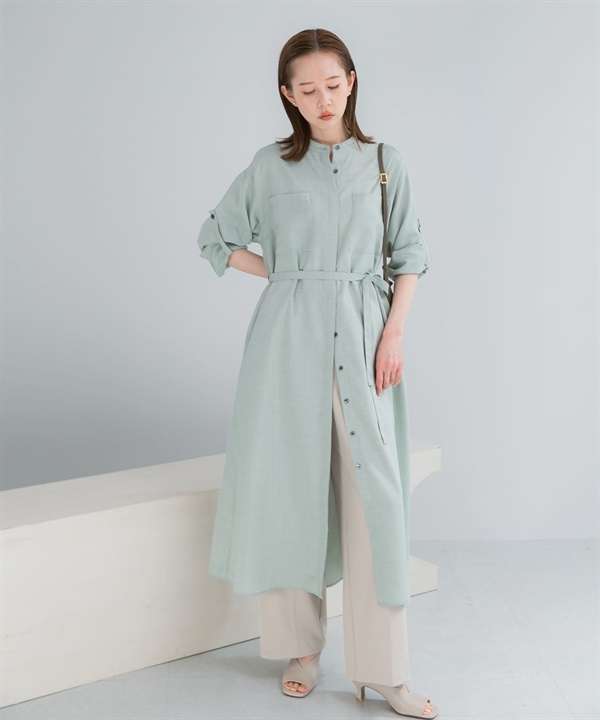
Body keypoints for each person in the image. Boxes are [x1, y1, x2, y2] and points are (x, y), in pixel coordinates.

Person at [196, 27, 439, 720]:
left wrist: (394, 333)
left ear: (351, 82)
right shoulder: (269, 167)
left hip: (366, 337)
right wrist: (289, 275)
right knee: (288, 489)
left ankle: (384, 671)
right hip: (286, 342)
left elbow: (411, 255)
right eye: (308, 89)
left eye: (333, 84)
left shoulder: (386, 163)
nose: (324, 99)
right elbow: (216, 238)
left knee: (376, 500)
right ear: (288, 96)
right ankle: (300, 649)